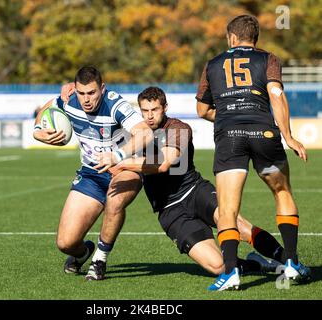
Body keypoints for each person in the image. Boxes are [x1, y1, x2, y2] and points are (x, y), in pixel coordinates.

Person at [109, 86, 286, 282]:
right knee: (217, 266)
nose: (150, 116)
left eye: (155, 110)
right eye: (145, 111)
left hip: (195, 191)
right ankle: (256, 264)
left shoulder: (179, 128)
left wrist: (122, 162)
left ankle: (288, 260)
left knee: (240, 226)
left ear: (165, 107)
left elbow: (164, 163)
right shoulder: (135, 135)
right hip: (169, 210)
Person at [196, 15, 310, 290]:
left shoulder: (213, 64)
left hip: (229, 138)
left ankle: (231, 271)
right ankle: (292, 263)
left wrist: (227, 116)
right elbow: (276, 95)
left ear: (232, 38)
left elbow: (202, 110)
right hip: (264, 133)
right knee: (282, 193)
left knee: (227, 208)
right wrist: (289, 136)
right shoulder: (269, 58)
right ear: (254, 38)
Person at [34, 66, 153, 280]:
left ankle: (99, 259)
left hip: (123, 170)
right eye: (82, 93)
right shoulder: (69, 99)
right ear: (75, 90)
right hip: (91, 174)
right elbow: (47, 107)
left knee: (115, 201)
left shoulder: (115, 104)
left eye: (92, 93)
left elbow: (145, 133)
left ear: (102, 89)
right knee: (65, 243)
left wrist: (117, 156)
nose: (86, 99)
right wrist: (37, 131)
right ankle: (84, 253)